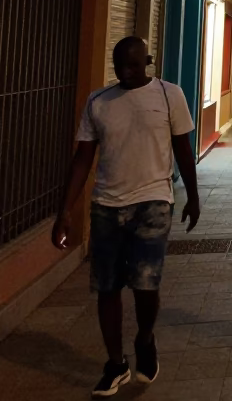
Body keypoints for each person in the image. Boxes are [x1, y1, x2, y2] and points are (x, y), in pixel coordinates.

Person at [51, 36, 200, 396]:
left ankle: (145, 338)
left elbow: (183, 149)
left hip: (153, 202)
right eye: (120, 67)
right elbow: (83, 158)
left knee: (146, 285)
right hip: (106, 206)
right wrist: (65, 211)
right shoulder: (99, 102)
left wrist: (193, 197)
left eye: (133, 66)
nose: (126, 73)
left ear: (147, 62)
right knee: (107, 287)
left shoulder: (169, 95)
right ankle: (116, 363)